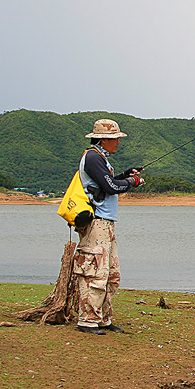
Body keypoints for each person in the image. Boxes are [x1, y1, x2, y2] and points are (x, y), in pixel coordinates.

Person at [72, 119, 145, 335]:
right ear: (103, 139)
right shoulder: (92, 157)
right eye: (115, 139)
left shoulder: (101, 158)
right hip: (96, 223)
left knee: (112, 274)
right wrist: (133, 182)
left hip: (107, 222)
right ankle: (87, 320)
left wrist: (125, 175)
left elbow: (110, 181)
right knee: (95, 273)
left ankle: (103, 318)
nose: (118, 143)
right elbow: (110, 187)